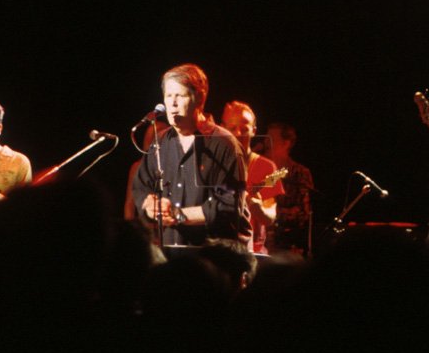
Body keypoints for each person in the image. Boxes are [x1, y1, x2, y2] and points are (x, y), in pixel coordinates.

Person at [132, 64, 251, 248]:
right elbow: (141, 188)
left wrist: (177, 215)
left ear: (200, 99)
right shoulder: (160, 142)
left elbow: (228, 206)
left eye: (180, 96)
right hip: (171, 251)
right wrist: (149, 206)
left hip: (215, 254)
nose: (172, 103)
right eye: (168, 96)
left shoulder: (225, 144)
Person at [222, 101, 286, 255]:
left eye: (244, 129)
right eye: (232, 128)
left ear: (254, 131)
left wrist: (258, 209)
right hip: (217, 248)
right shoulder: (211, 163)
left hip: (252, 253)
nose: (238, 133)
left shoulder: (266, 167)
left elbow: (270, 217)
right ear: (222, 129)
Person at [264, 122, 314, 255]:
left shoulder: (299, 173)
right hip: (260, 242)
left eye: (271, 139)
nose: (266, 143)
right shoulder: (262, 169)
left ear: (286, 144)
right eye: (266, 138)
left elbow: (303, 213)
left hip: (287, 246)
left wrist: (269, 213)